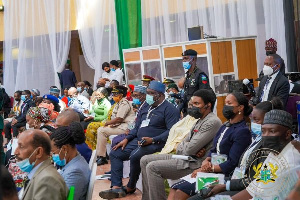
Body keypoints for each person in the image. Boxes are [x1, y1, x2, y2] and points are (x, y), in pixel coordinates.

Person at [187, 98, 284, 199]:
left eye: (257, 120)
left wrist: (224, 185)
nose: (253, 123)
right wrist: (207, 161)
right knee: (195, 193)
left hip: (241, 184)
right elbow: (214, 149)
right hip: (235, 179)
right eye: (252, 119)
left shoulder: (265, 144)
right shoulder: (255, 138)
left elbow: (254, 179)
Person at [99, 81, 180, 199]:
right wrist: (127, 139)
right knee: (115, 153)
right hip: (137, 140)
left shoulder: (170, 109)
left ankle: (130, 186)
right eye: (148, 93)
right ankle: (116, 187)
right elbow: (137, 126)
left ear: (160, 95)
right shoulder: (146, 106)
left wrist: (152, 139)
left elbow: (171, 131)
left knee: (135, 155)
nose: (149, 96)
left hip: (156, 143)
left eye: (151, 93)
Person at [140, 89, 222, 200]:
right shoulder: (199, 120)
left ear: (208, 105)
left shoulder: (212, 121)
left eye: (197, 104)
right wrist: (186, 146)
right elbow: (182, 145)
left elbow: (189, 149)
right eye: (192, 104)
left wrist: (187, 147)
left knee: (153, 167)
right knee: (144, 159)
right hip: (185, 156)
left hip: (195, 163)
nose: (192, 107)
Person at [170, 92, 252, 199]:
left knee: (181, 191)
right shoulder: (225, 126)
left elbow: (232, 163)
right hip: (211, 171)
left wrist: (208, 169)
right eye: (225, 102)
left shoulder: (242, 131)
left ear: (240, 107)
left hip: (224, 176)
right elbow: (214, 149)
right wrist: (206, 161)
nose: (225, 106)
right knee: (174, 187)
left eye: (229, 103)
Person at [231, 110, 300, 200]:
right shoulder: (274, 152)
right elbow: (254, 187)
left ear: (287, 134)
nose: (266, 136)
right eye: (263, 131)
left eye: (272, 131)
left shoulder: (290, 163)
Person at [15, 130, 68, 200]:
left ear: (38, 152)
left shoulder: (47, 180)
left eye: (21, 146)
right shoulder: (40, 174)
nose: (15, 152)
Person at [96, 85, 135, 166]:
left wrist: (108, 123)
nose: (113, 96)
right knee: (101, 129)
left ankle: (102, 157)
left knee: (101, 130)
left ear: (121, 95)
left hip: (126, 128)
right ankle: (103, 154)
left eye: (115, 94)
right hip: (120, 126)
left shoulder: (124, 103)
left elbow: (119, 119)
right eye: (113, 94)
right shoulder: (119, 103)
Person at [50, 122, 91, 200]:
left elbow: (68, 198)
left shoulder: (75, 172)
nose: (52, 155)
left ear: (65, 149)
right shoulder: (76, 160)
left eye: (53, 152)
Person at [182, 49, 211, 115]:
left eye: (186, 58)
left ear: (194, 59)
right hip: (187, 110)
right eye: (183, 59)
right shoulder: (188, 75)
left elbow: (204, 94)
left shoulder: (200, 75)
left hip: (196, 110)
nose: (184, 61)